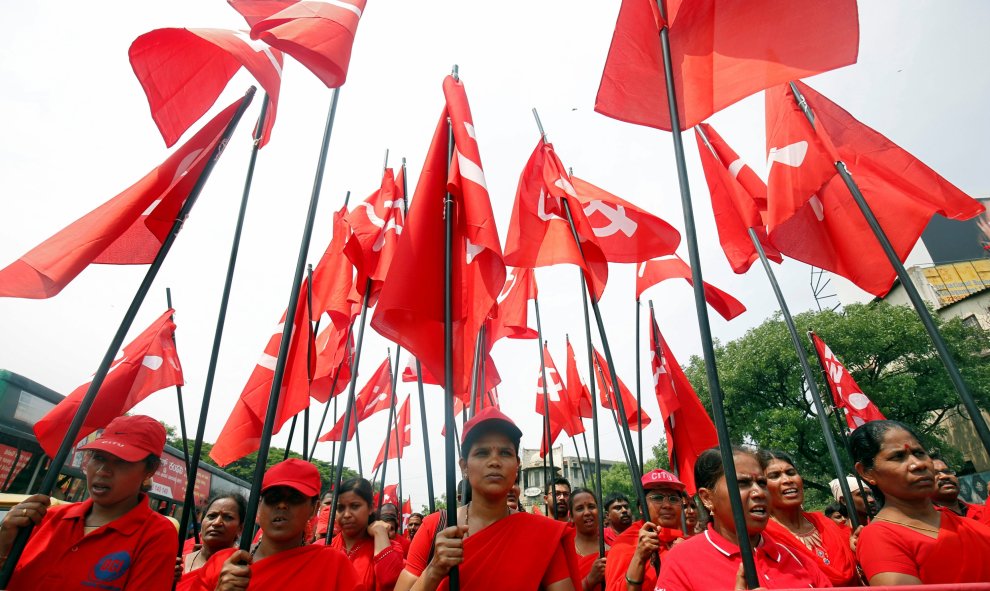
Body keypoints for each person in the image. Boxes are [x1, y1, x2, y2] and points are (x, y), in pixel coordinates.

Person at [395, 407, 580, 590]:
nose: (494, 461)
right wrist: (434, 569)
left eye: (505, 453)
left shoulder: (542, 535)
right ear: (464, 466)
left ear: (517, 465)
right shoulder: (435, 526)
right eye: (482, 453)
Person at [0, 415, 179, 590]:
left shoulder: (156, 534)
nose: (103, 471)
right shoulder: (45, 517)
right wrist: (4, 541)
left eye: (122, 462)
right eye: (99, 457)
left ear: (150, 470)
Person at [655, 447, 831, 590]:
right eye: (742, 484)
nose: (759, 492)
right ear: (707, 498)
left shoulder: (795, 559)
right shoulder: (681, 561)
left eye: (762, 483)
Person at [182, 458, 357, 590]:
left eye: (294, 498)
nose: (281, 505)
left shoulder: (333, 565)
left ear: (314, 508)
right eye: (273, 498)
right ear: (259, 506)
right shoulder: (222, 562)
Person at [850, 420, 990, 585]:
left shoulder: (967, 524)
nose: (918, 464)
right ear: (866, 472)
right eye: (898, 456)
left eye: (919, 453)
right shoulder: (879, 537)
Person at [760, 450, 859, 586]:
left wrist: (856, 551)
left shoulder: (826, 523)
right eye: (774, 476)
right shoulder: (762, 538)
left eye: (791, 473)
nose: (787, 480)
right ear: (760, 487)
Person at [605, 469, 686, 591]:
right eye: (658, 498)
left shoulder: (689, 543)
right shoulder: (625, 544)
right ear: (641, 508)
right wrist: (639, 558)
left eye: (673, 499)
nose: (667, 505)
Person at [330, 478, 405, 591]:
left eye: (355, 506)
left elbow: (389, 580)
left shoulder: (391, 547)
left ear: (370, 508)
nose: (346, 514)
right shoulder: (323, 546)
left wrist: (380, 533)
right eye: (340, 508)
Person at [178, 494, 246, 583]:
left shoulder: (238, 570)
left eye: (228, 517)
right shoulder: (178, 562)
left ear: (240, 528)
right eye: (212, 516)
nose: (217, 523)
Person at [569, 487, 607, 591]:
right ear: (571, 516)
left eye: (591, 506)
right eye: (580, 508)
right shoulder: (563, 553)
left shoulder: (612, 549)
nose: (587, 512)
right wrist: (590, 580)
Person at [930, 452, 985, 521]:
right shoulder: (928, 525)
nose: (945, 476)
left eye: (947, 472)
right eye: (934, 473)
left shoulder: (983, 512)